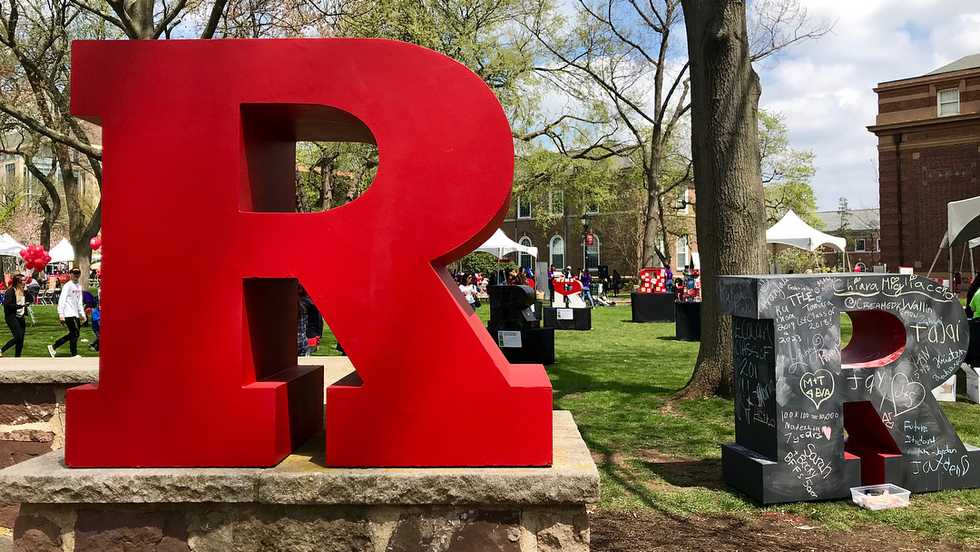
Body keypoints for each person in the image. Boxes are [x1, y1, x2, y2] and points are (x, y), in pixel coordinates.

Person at [49, 268, 86, 358]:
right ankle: (73, 353)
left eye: (78, 273)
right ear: (70, 274)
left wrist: (83, 315)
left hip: (76, 314)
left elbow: (79, 302)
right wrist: (61, 314)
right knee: (75, 333)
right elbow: (62, 300)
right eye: (74, 273)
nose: (76, 275)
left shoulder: (79, 286)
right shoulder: (67, 286)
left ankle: (53, 346)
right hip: (68, 313)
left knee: (74, 334)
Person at [1, 275, 28, 357]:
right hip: (11, 317)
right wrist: (20, 306)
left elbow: (31, 299)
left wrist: (27, 292)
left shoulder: (23, 291)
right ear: (18, 282)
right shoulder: (10, 291)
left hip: (21, 317)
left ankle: (17, 357)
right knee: (18, 336)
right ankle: (2, 350)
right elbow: (7, 305)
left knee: (21, 340)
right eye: (23, 280)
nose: (25, 282)